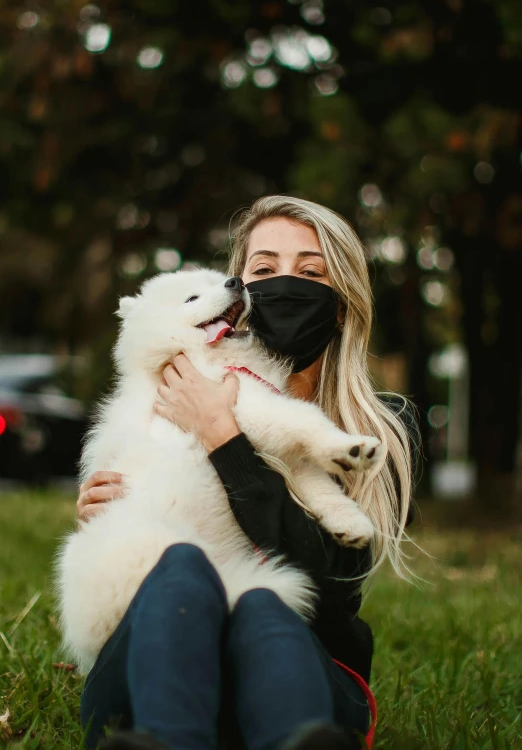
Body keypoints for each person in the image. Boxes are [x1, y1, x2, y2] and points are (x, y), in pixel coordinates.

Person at [76, 196, 419, 750]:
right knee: (179, 566)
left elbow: (331, 583)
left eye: (311, 272)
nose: (285, 286)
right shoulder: (163, 388)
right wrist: (109, 512)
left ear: (341, 303)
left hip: (300, 665)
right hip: (157, 659)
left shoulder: (383, 428)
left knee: (262, 602)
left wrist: (221, 435)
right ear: (236, 288)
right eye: (263, 270)